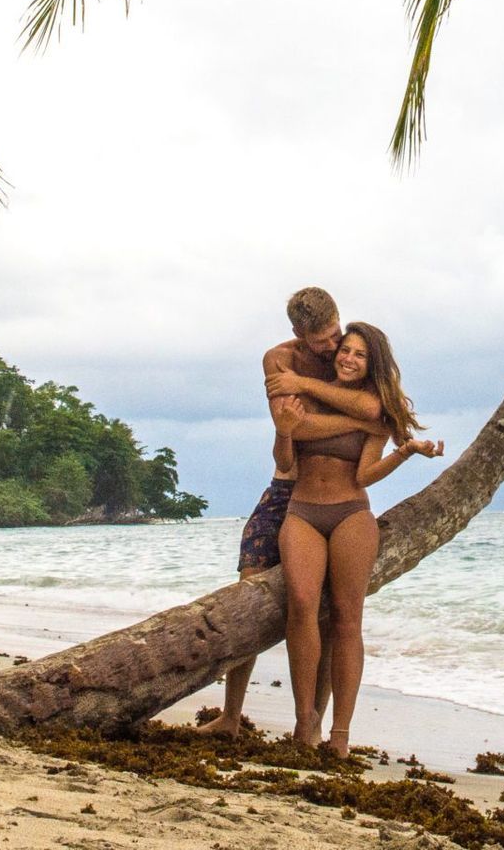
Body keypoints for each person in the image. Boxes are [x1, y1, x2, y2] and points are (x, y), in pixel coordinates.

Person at [197, 287, 390, 738]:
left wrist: (359, 416)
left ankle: (316, 723)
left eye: (335, 333)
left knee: (327, 612)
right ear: (298, 335)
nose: (332, 347)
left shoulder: (349, 356)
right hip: (287, 490)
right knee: (248, 594)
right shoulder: (278, 360)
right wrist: (360, 421)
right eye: (322, 341)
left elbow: (374, 409)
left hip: (335, 497)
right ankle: (231, 715)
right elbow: (293, 429)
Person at [274, 320, 442, 753]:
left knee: (348, 619)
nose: (348, 358)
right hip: (303, 512)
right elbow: (285, 457)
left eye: (359, 354)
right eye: (344, 350)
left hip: (351, 513)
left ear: (373, 363)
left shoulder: (376, 408)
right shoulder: (312, 392)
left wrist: (403, 452)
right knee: (302, 608)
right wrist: (286, 430)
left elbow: (366, 473)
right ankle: (304, 719)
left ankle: (341, 734)